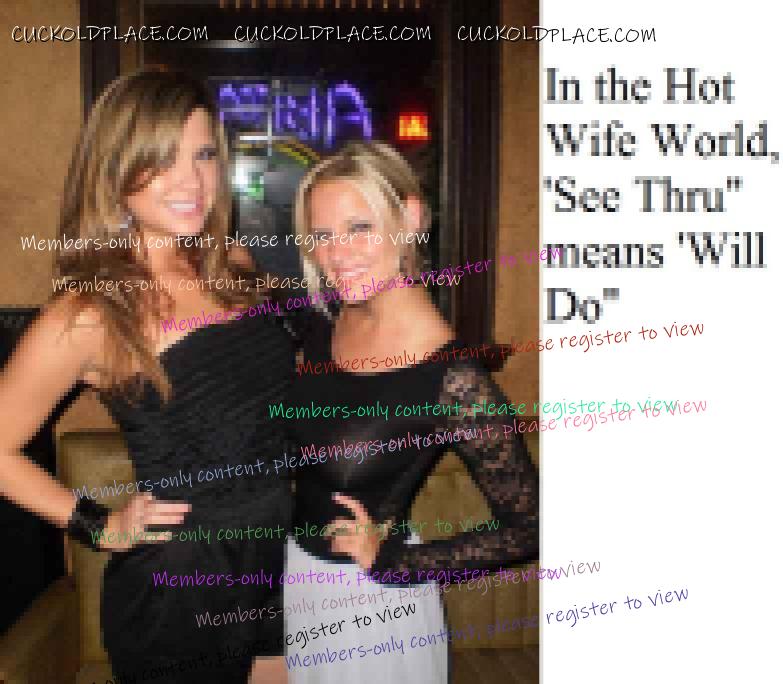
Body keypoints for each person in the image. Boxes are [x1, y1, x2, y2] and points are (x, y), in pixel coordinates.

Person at [0, 69, 292, 683]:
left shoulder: (233, 263)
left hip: (275, 554)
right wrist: (100, 525)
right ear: (113, 171)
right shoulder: (89, 312)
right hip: (181, 586)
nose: (191, 181)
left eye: (204, 155)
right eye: (161, 161)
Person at [280, 141, 539, 683]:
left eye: (359, 227)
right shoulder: (327, 324)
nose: (337, 254)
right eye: (322, 236)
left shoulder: (452, 378)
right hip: (297, 580)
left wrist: (399, 563)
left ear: (411, 218)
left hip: (371, 610)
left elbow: (529, 527)